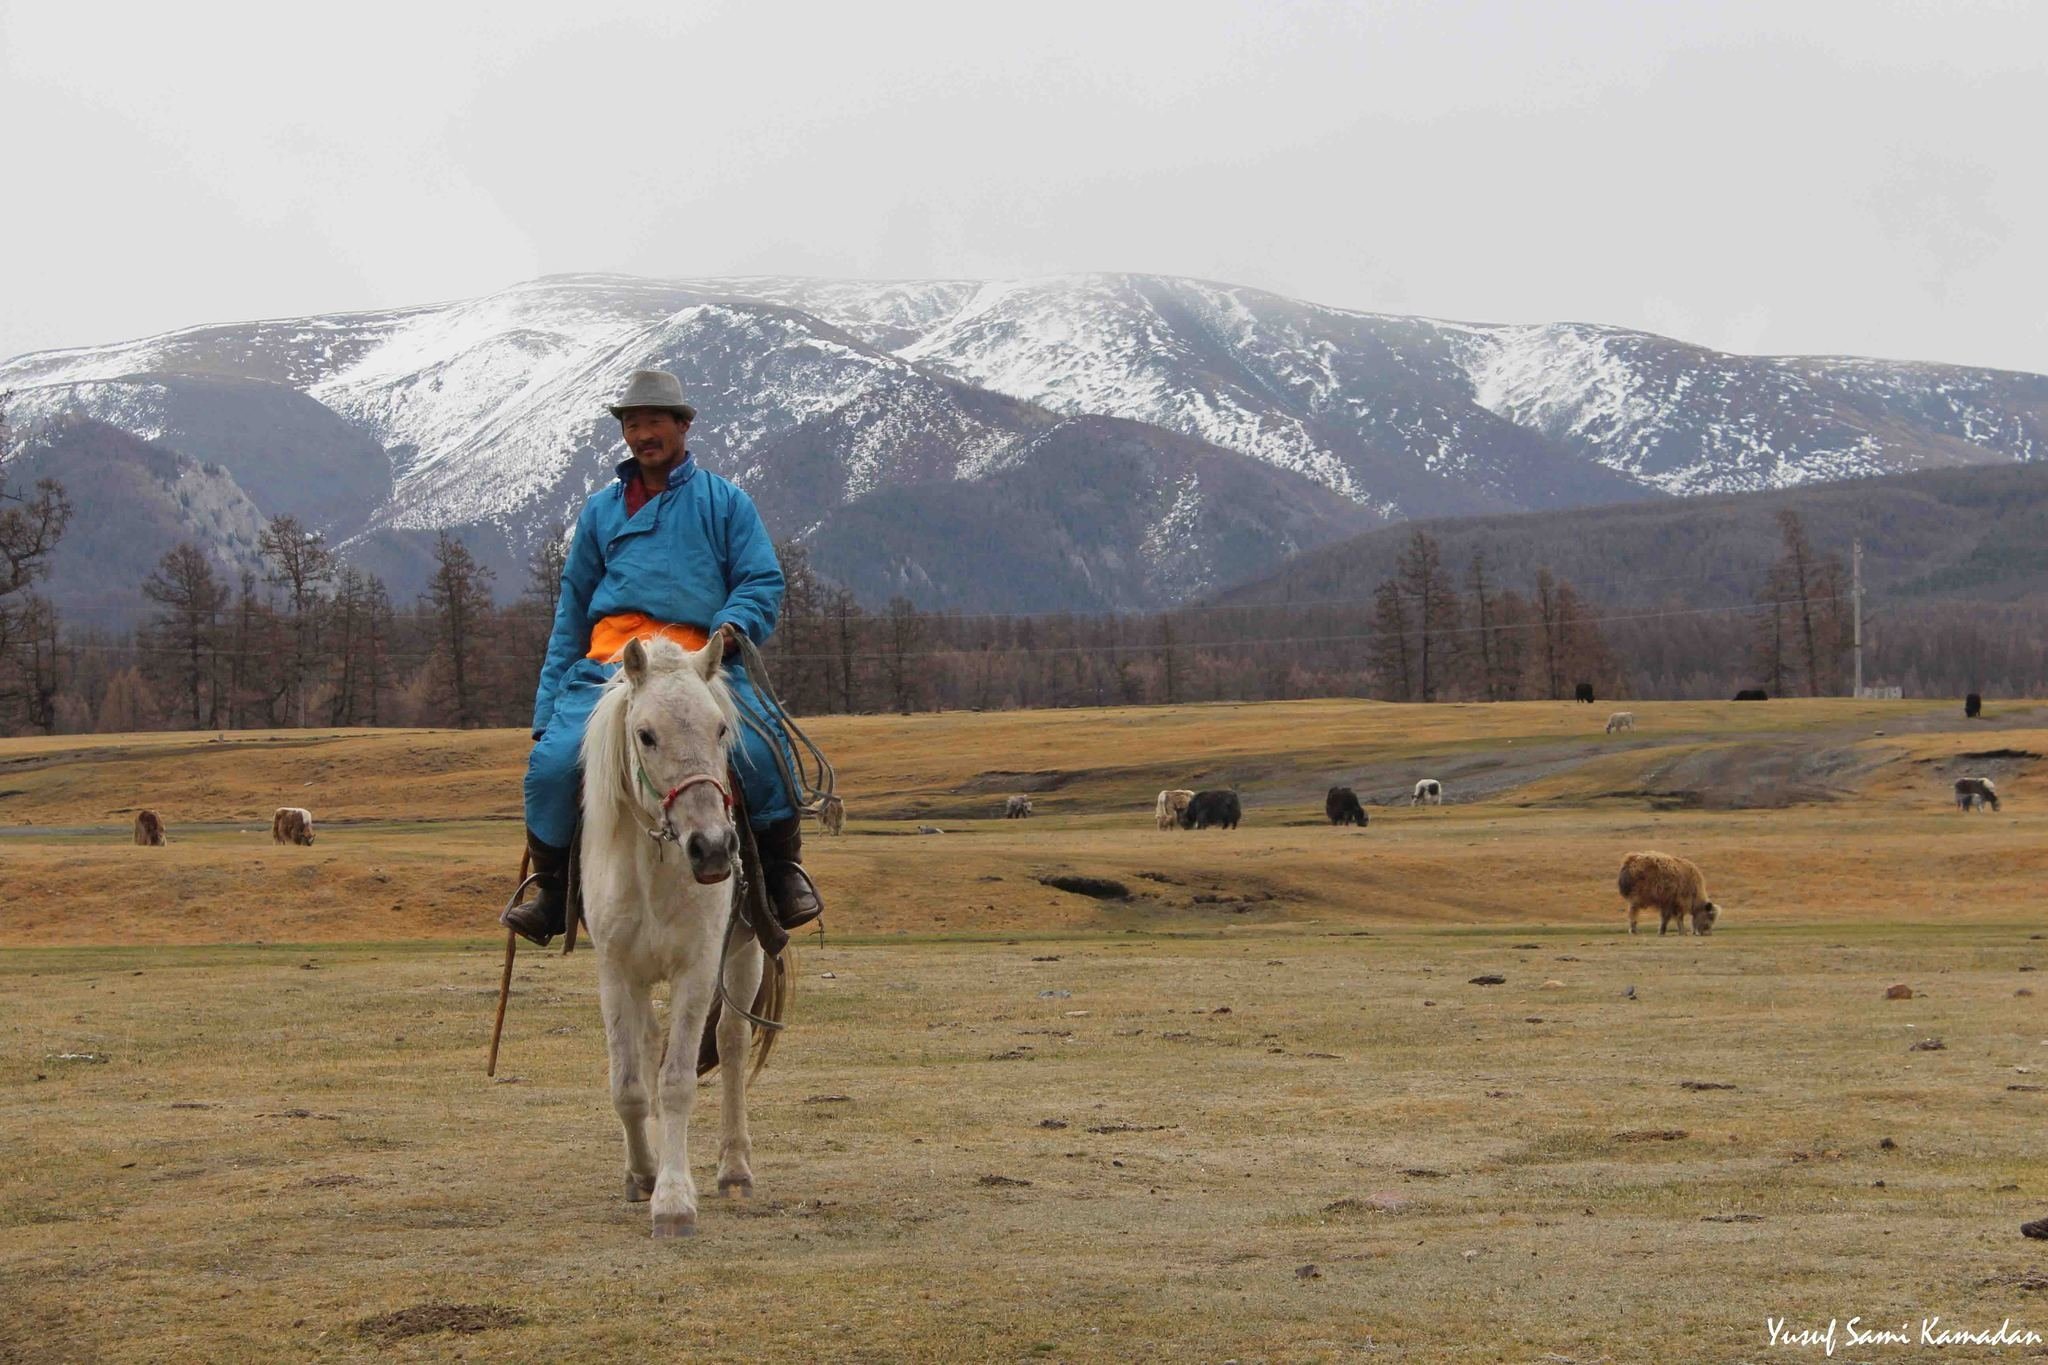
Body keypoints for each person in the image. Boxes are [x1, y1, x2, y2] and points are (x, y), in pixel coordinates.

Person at [505, 369, 822, 946]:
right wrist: (547, 709)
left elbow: (760, 580)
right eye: (632, 423)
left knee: (759, 752)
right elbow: (572, 610)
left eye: (654, 420)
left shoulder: (726, 502)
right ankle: (553, 893)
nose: (642, 433)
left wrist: (731, 631)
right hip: (615, 668)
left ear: (682, 425)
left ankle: (781, 876)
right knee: (551, 767)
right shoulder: (600, 512)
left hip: (704, 662)